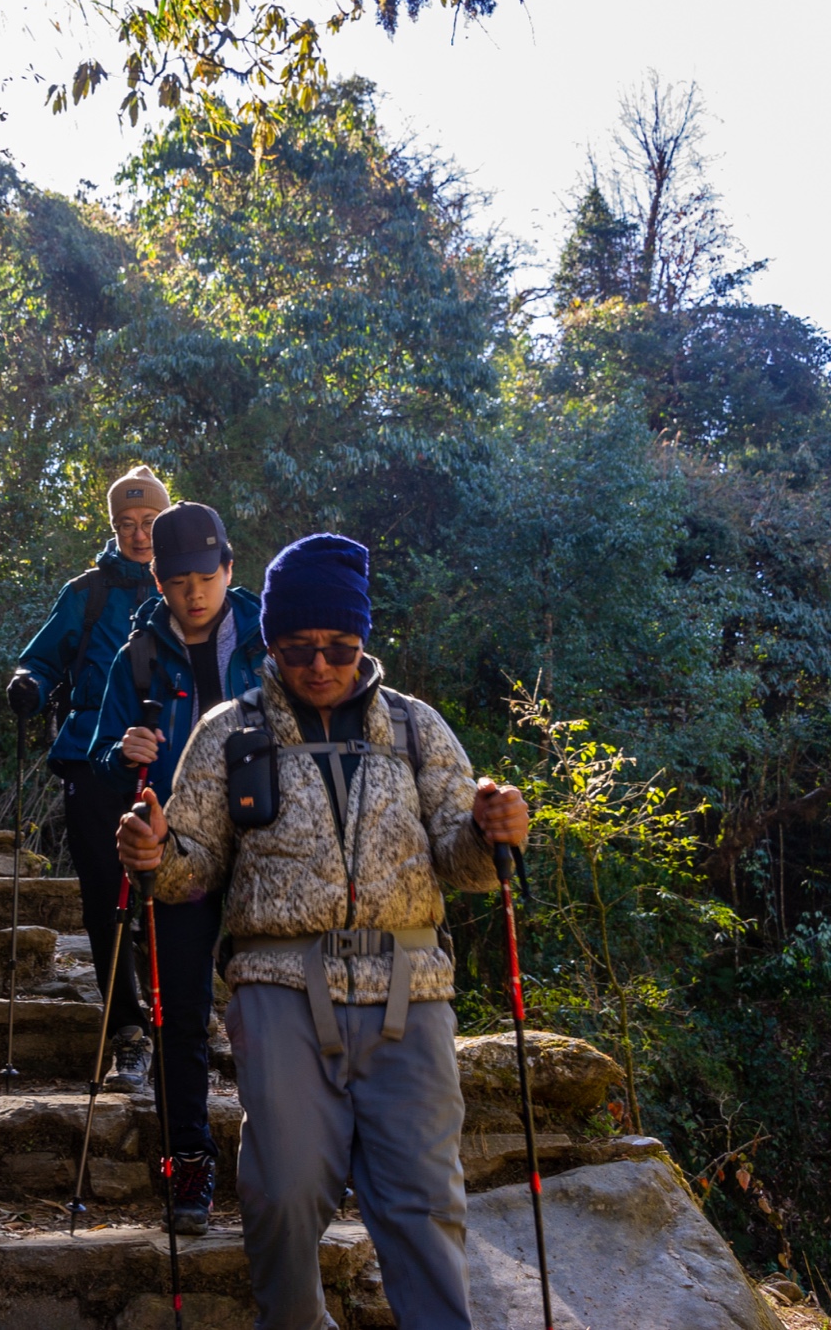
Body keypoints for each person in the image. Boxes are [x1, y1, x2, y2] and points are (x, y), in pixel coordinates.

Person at [116, 533, 529, 1330]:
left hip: (412, 987)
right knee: (285, 1188)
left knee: (425, 1197)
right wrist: (153, 850)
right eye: (299, 646)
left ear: (364, 640)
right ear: (272, 640)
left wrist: (494, 830)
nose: (319, 663)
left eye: (340, 646)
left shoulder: (417, 728)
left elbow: (465, 858)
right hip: (279, 983)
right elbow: (190, 869)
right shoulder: (228, 732)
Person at [88, 502, 263, 1237]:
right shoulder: (139, 653)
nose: (195, 592)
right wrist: (120, 752)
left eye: (207, 575)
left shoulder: (271, 641)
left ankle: (287, 1156)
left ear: (229, 568)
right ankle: (188, 1155)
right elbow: (96, 752)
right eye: (179, 579)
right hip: (176, 850)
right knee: (181, 1012)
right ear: (157, 579)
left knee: (275, 1007)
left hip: (266, 841)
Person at [7, 464, 169, 1092]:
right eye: (126, 524)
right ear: (112, 527)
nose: (138, 534)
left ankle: (176, 1016)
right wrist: (29, 684)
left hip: (166, 759)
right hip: (90, 757)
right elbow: (42, 657)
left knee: (174, 891)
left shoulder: (184, 589)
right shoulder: (88, 592)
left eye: (149, 522)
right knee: (107, 897)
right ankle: (128, 1034)